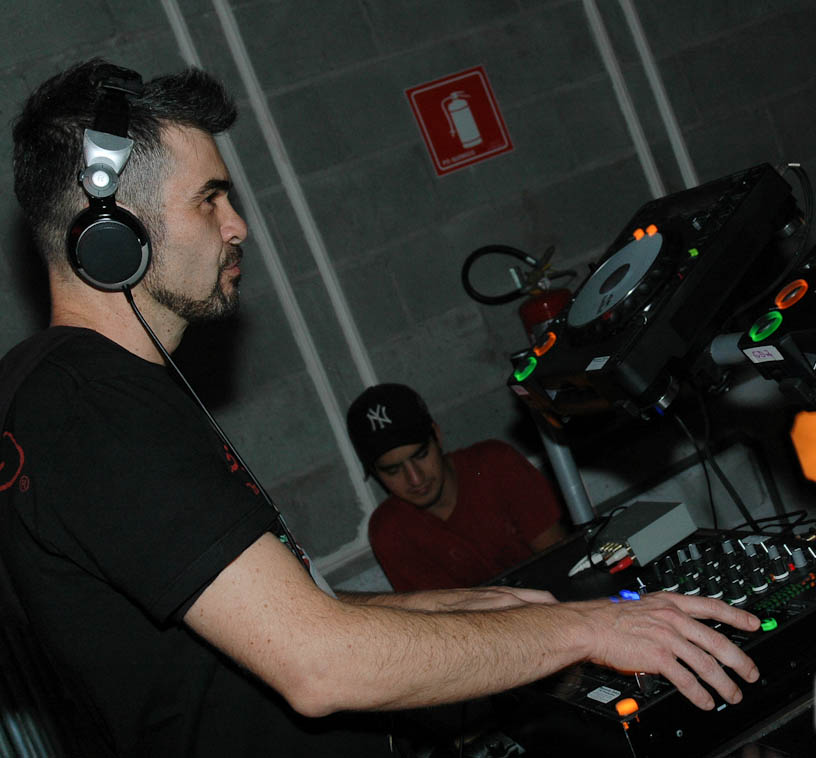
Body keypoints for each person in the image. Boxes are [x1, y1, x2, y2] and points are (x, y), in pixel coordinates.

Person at [0, 59, 762, 758]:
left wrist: (458, 609)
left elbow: (249, 634)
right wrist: (588, 627)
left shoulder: (70, 396)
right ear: (111, 233)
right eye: (210, 199)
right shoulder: (92, 409)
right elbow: (318, 666)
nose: (238, 226)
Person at [346, 383, 568, 591]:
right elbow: (442, 615)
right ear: (375, 473)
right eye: (393, 470)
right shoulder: (390, 531)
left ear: (437, 435)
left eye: (421, 455)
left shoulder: (495, 464)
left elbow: (563, 564)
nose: (415, 478)